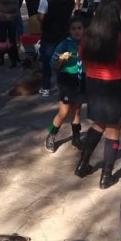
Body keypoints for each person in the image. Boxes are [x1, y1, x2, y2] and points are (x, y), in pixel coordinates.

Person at [75, 1, 121, 189]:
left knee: (99, 123)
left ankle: (82, 164)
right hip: (114, 85)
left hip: (93, 83)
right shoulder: (118, 37)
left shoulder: (88, 36)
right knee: (114, 128)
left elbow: (82, 60)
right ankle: (106, 176)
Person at [45, 17, 85, 152]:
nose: (76, 31)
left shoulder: (86, 43)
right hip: (66, 80)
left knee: (77, 111)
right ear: (69, 31)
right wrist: (61, 59)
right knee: (64, 111)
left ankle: (76, 137)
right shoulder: (64, 45)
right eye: (73, 28)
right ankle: (51, 134)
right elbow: (54, 65)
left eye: (79, 28)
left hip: (80, 79)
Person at [38, 0, 75, 97]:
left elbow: (41, 17)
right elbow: (71, 13)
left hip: (49, 34)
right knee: (64, 60)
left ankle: (46, 87)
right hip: (64, 33)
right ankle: (64, 86)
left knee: (47, 61)